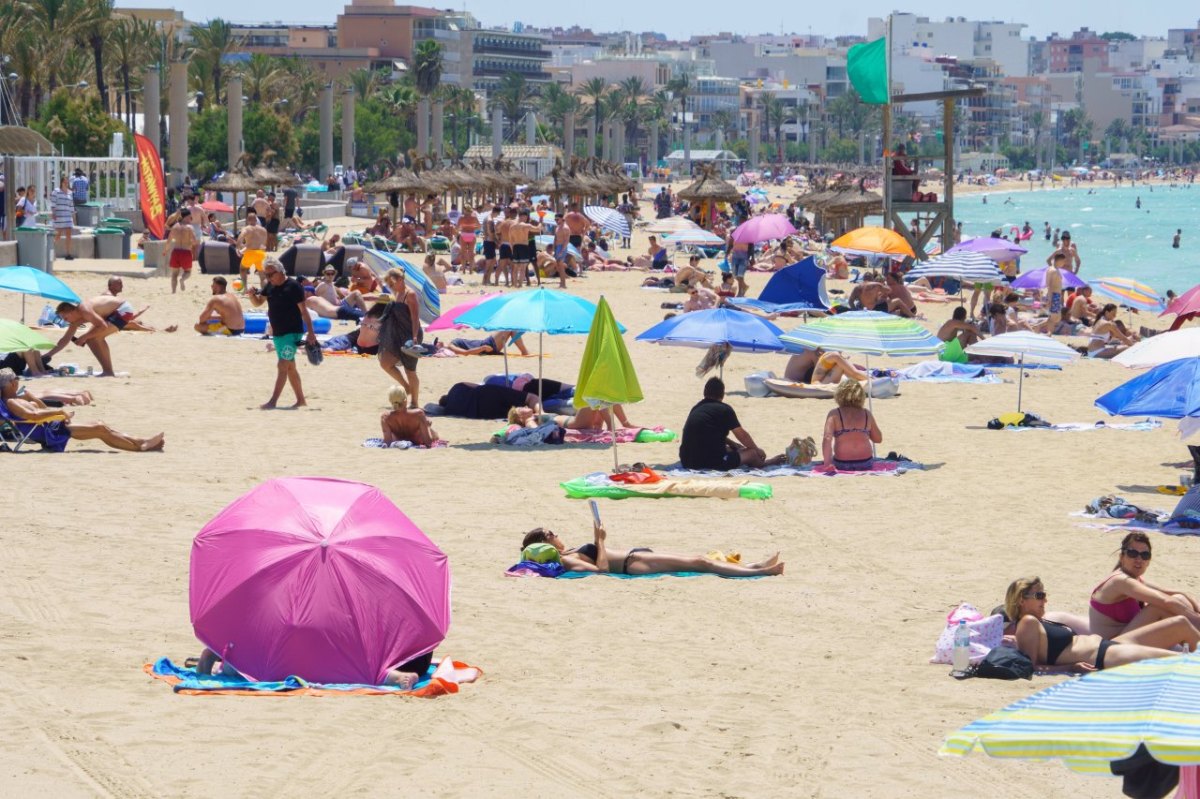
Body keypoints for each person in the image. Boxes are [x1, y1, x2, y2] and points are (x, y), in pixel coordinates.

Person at [1005, 577, 1199, 673]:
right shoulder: (1028, 622)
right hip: (1103, 656)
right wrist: (1070, 668)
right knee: (1179, 660)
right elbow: (1031, 667)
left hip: (1110, 644)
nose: (1045, 600)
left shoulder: (1038, 622)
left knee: (1180, 623)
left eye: (1044, 595)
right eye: (1039, 596)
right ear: (1022, 600)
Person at [520, 522, 784, 577]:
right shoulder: (567, 562)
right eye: (551, 534)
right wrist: (599, 541)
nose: (557, 534)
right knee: (699, 562)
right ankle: (761, 572)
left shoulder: (568, 554)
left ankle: (754, 567)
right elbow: (600, 571)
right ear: (544, 544)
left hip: (636, 556)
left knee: (699, 560)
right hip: (632, 564)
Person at [0, 368, 164, 452]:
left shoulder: (18, 399)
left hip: (49, 427)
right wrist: (60, 413)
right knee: (99, 428)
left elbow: (40, 409)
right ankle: (139, 447)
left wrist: (33, 398)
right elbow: (32, 415)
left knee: (101, 426)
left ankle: (141, 442)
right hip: (49, 432)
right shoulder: (12, 401)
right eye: (17, 379)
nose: (18, 381)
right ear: (12, 383)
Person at [1089, 532, 1200, 640]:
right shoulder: (1120, 581)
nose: (1139, 559)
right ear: (1121, 557)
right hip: (1111, 646)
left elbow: (1176, 593)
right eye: (1133, 554)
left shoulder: (1134, 579)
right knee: (1158, 607)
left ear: (1148, 561)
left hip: (1126, 638)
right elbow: (1166, 602)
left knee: (1179, 599)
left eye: (1145, 555)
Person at [247, 259, 317, 409]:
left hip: (292, 333)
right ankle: (301, 400)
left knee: (282, 365)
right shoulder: (270, 286)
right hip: (278, 334)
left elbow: (304, 311)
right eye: (266, 274)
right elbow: (259, 302)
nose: (268, 277)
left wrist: (311, 333)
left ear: (280, 272)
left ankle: (273, 401)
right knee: (290, 367)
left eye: (271, 274)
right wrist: (252, 296)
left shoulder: (294, 286)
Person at [679, 377, 782, 470]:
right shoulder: (725, 409)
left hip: (687, 460)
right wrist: (757, 449)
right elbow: (742, 435)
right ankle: (765, 464)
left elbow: (707, 433)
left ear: (704, 392)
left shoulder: (697, 408)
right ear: (722, 395)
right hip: (709, 462)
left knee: (730, 449)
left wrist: (733, 444)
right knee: (752, 454)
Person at [45, 298, 127, 376]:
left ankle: (108, 372)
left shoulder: (84, 310)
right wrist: (48, 355)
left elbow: (103, 326)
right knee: (90, 339)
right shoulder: (76, 319)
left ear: (71, 312)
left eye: (65, 318)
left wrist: (84, 337)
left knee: (96, 338)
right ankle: (107, 371)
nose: (65, 321)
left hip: (122, 309)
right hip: (112, 312)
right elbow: (65, 339)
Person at [377, 268, 422, 408]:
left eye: (392, 283)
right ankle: (406, 388)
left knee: (410, 370)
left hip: (410, 335)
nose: (391, 287)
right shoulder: (398, 292)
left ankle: (414, 402)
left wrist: (414, 337)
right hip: (397, 334)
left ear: (401, 280)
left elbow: (415, 318)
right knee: (385, 362)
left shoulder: (410, 295)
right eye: (389, 285)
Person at [819, 380, 882, 472]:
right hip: (865, 463)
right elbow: (878, 439)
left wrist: (827, 463)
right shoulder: (866, 414)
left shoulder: (834, 414)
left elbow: (827, 438)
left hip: (842, 463)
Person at [437, 381, 542, 419]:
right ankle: (541, 412)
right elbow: (477, 386)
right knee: (530, 397)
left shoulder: (449, 411)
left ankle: (533, 413)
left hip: (482, 412)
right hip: (484, 393)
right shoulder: (456, 387)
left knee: (512, 412)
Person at [508, 403, 633, 431]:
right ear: (520, 417)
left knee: (606, 395)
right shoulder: (529, 420)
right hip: (573, 423)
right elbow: (535, 430)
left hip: (578, 421)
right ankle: (612, 427)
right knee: (594, 397)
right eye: (521, 408)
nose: (524, 406)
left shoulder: (536, 414)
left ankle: (626, 423)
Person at [783, 348, 868, 384]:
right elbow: (823, 369)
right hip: (795, 379)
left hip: (800, 377)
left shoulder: (814, 349)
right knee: (841, 367)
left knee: (842, 366)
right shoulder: (813, 352)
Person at [165, 208, 199, 293]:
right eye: (190, 217)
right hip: (186, 251)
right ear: (187, 216)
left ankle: (173, 291)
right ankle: (182, 280)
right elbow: (194, 241)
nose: (191, 218)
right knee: (187, 272)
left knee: (174, 274)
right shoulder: (190, 227)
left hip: (176, 252)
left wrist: (165, 250)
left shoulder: (175, 227)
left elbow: (169, 240)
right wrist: (192, 243)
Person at [236, 210, 269, 290]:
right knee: (262, 275)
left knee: (243, 269)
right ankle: (264, 291)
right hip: (261, 253)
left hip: (250, 253)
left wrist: (238, 247)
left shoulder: (247, 228)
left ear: (248, 220)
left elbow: (240, 238)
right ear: (256, 219)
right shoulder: (263, 230)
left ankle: (245, 289)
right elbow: (264, 244)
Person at [445, 330, 529, 356]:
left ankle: (524, 351)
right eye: (436, 343)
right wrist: (483, 348)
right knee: (510, 328)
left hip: (486, 344)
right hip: (487, 346)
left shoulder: (452, 344)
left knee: (510, 328)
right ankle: (524, 352)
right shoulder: (450, 346)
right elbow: (466, 353)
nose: (439, 342)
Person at [50, 177, 75, 260]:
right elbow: (53, 203)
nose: (66, 184)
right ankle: (50, 250)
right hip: (59, 216)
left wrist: (73, 216)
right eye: (65, 182)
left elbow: (71, 205)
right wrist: (53, 213)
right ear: (61, 183)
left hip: (68, 216)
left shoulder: (70, 193)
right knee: (58, 235)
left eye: (67, 183)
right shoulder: (56, 191)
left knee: (69, 235)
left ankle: (68, 253)